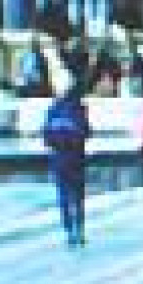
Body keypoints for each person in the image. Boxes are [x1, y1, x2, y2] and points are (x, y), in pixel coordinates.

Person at [40, 83, 91, 247]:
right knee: (78, 197)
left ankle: (69, 231)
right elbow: (86, 132)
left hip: (59, 159)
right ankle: (79, 229)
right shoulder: (79, 109)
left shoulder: (52, 110)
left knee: (63, 196)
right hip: (76, 158)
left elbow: (46, 136)